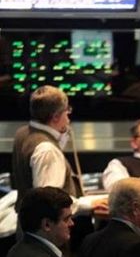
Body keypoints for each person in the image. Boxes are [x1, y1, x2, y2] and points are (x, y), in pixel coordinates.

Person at [12, 85, 107, 214]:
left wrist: (59, 138)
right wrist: (88, 205)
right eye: (67, 111)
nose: (68, 118)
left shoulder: (22, 133)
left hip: (25, 222)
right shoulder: (48, 149)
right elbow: (51, 202)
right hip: (47, 226)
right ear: (56, 116)